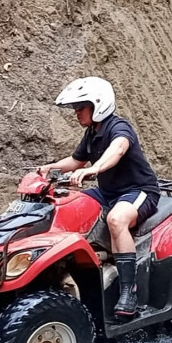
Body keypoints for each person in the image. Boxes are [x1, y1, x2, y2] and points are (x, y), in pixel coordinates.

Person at [39, 77, 160, 317]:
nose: (76, 113)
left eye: (80, 108)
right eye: (75, 108)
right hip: (107, 192)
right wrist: (47, 168)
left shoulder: (119, 127)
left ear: (98, 105)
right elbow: (76, 161)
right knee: (68, 206)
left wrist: (93, 169)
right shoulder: (91, 133)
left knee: (116, 219)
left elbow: (118, 149)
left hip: (138, 190)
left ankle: (129, 291)